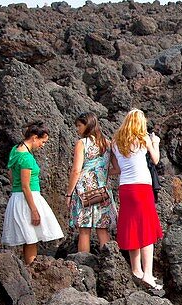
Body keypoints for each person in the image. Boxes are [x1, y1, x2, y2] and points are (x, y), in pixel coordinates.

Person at [111, 109, 164, 290]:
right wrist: (156, 143)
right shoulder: (143, 139)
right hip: (142, 187)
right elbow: (155, 160)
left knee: (132, 227)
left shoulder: (116, 142)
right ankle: (148, 274)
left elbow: (117, 169)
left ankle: (136, 270)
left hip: (125, 188)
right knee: (147, 229)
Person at [2, 121, 63, 264]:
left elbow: (10, 173)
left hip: (17, 197)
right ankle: (31, 269)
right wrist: (34, 210)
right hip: (28, 199)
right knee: (31, 239)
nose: (43, 145)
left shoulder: (15, 150)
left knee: (29, 238)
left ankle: (29, 269)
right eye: (43, 141)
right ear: (34, 137)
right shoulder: (27, 158)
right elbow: (25, 186)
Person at [64, 112, 116, 253]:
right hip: (102, 190)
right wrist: (101, 172)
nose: (77, 129)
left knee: (84, 231)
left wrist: (68, 194)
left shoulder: (82, 143)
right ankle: (108, 261)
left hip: (84, 190)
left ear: (87, 125)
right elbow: (117, 169)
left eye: (79, 125)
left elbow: (76, 170)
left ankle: (84, 267)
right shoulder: (107, 143)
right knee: (102, 229)